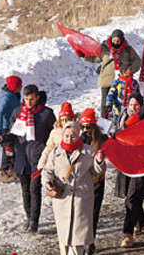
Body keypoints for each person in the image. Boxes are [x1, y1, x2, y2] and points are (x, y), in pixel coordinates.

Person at [0, 84, 56, 233]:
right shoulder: (17, 113)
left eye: (32, 99)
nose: (29, 102)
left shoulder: (46, 114)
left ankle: (34, 220)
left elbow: (53, 136)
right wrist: (1, 139)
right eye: (26, 99)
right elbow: (12, 135)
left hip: (38, 157)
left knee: (34, 189)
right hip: (22, 158)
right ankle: (28, 216)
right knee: (25, 190)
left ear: (37, 98)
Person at [43, 122, 105, 255]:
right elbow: (47, 170)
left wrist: (99, 161)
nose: (69, 139)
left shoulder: (89, 151)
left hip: (81, 201)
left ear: (78, 136)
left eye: (72, 136)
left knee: (77, 241)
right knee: (64, 241)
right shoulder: (56, 152)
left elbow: (97, 171)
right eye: (66, 136)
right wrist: (48, 181)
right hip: (62, 200)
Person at [80, 29, 141, 117]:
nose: (116, 43)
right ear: (111, 39)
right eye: (114, 40)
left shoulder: (128, 50)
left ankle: (122, 120)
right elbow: (94, 58)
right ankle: (104, 122)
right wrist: (83, 56)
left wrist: (130, 69)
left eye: (118, 41)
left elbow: (137, 61)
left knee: (121, 102)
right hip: (107, 79)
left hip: (122, 80)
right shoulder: (104, 48)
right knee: (105, 103)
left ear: (122, 40)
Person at [113, 99, 144, 248]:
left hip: (142, 166)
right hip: (125, 164)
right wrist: (126, 127)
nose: (133, 108)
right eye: (131, 104)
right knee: (133, 196)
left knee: (131, 198)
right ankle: (141, 222)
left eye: (137, 105)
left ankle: (128, 234)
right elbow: (115, 136)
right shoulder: (122, 118)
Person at [78, 108, 108, 252]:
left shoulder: (101, 139)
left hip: (96, 181)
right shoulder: (78, 138)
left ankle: (90, 242)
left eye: (88, 127)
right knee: (83, 215)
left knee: (93, 214)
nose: (85, 130)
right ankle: (83, 241)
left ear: (94, 126)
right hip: (82, 182)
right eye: (82, 127)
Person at [0, 75, 22, 182]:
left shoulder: (15, 94)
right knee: (8, 149)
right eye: (19, 85)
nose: (21, 87)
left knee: (13, 148)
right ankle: (4, 171)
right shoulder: (6, 98)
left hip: (14, 125)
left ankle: (12, 169)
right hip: (7, 128)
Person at [37, 102, 77, 171]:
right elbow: (48, 148)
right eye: (62, 120)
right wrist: (41, 164)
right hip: (58, 165)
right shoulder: (55, 132)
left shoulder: (77, 131)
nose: (64, 122)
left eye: (67, 119)